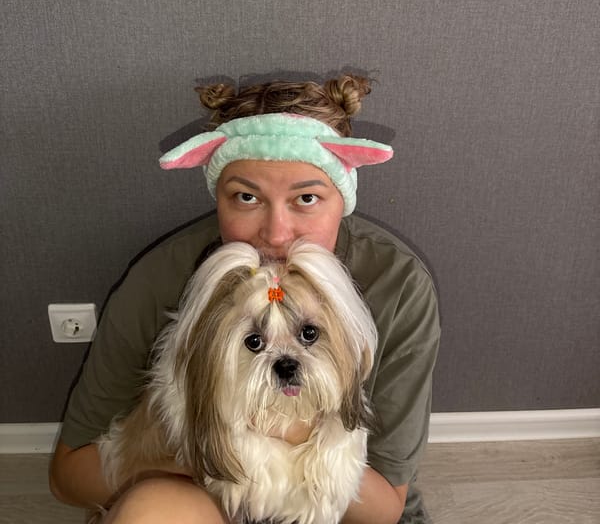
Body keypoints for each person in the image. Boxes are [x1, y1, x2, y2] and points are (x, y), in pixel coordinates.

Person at [49, 74, 440, 524]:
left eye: (307, 198)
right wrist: (198, 439)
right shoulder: (157, 278)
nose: (275, 234)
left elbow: (382, 510)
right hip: (199, 487)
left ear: (343, 196)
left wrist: (292, 432)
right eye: (247, 197)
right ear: (218, 197)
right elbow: (67, 479)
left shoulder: (400, 286)